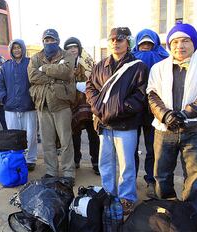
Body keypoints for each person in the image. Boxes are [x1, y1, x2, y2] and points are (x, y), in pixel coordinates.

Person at [86, 27, 148, 215]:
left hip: (125, 124)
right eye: (112, 38)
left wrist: (117, 110)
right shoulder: (99, 65)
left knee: (126, 164)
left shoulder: (138, 66)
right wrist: (97, 109)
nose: (115, 42)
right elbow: (90, 88)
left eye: (120, 39)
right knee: (105, 162)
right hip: (104, 124)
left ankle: (127, 197)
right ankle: (108, 193)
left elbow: (140, 95)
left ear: (127, 42)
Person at [147, 23, 197, 214]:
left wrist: (185, 113)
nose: (180, 45)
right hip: (164, 131)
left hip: (195, 130)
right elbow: (152, 94)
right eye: (175, 41)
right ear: (169, 45)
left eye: (185, 40)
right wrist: (166, 115)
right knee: (161, 175)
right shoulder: (158, 68)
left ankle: (189, 216)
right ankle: (167, 211)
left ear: (194, 43)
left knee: (194, 176)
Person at [28, 29, 76, 181]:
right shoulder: (36, 57)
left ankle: (68, 172)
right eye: (46, 40)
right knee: (47, 142)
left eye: (52, 40)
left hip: (61, 104)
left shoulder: (67, 55)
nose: (49, 43)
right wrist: (54, 78)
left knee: (65, 141)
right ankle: (51, 171)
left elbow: (67, 72)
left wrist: (44, 69)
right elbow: (32, 76)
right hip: (43, 104)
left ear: (58, 41)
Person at [132, 29, 169, 197]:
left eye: (149, 44)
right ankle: (130, 179)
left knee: (152, 148)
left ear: (155, 44)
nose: (146, 47)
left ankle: (151, 181)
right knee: (130, 148)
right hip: (132, 110)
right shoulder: (130, 59)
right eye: (142, 44)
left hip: (153, 111)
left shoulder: (165, 59)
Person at [0, 39, 38, 171]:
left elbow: (37, 82)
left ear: (23, 49)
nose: (17, 50)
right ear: (11, 50)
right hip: (11, 108)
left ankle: (30, 159)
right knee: (14, 135)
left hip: (28, 106)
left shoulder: (30, 63)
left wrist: (34, 98)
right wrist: (4, 98)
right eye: (14, 48)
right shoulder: (5, 66)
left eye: (19, 48)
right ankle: (17, 157)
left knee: (31, 135)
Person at [64, 37, 100, 175]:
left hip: (90, 103)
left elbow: (95, 81)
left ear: (79, 48)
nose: (72, 50)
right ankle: (76, 160)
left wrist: (77, 85)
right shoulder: (63, 63)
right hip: (72, 104)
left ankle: (96, 162)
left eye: (74, 47)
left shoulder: (88, 62)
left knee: (93, 134)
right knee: (74, 134)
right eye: (69, 47)